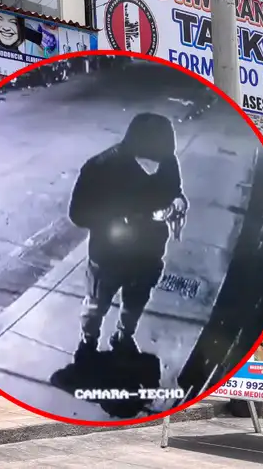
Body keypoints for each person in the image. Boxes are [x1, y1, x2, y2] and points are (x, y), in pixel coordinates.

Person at [68, 112, 189, 362]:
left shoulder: (167, 162)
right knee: (96, 304)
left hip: (149, 254)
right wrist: (123, 217)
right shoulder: (99, 168)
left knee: (136, 301)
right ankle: (88, 340)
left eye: (159, 162)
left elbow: (174, 189)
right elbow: (78, 214)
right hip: (108, 256)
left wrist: (178, 202)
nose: (154, 169)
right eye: (147, 162)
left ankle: (124, 335)